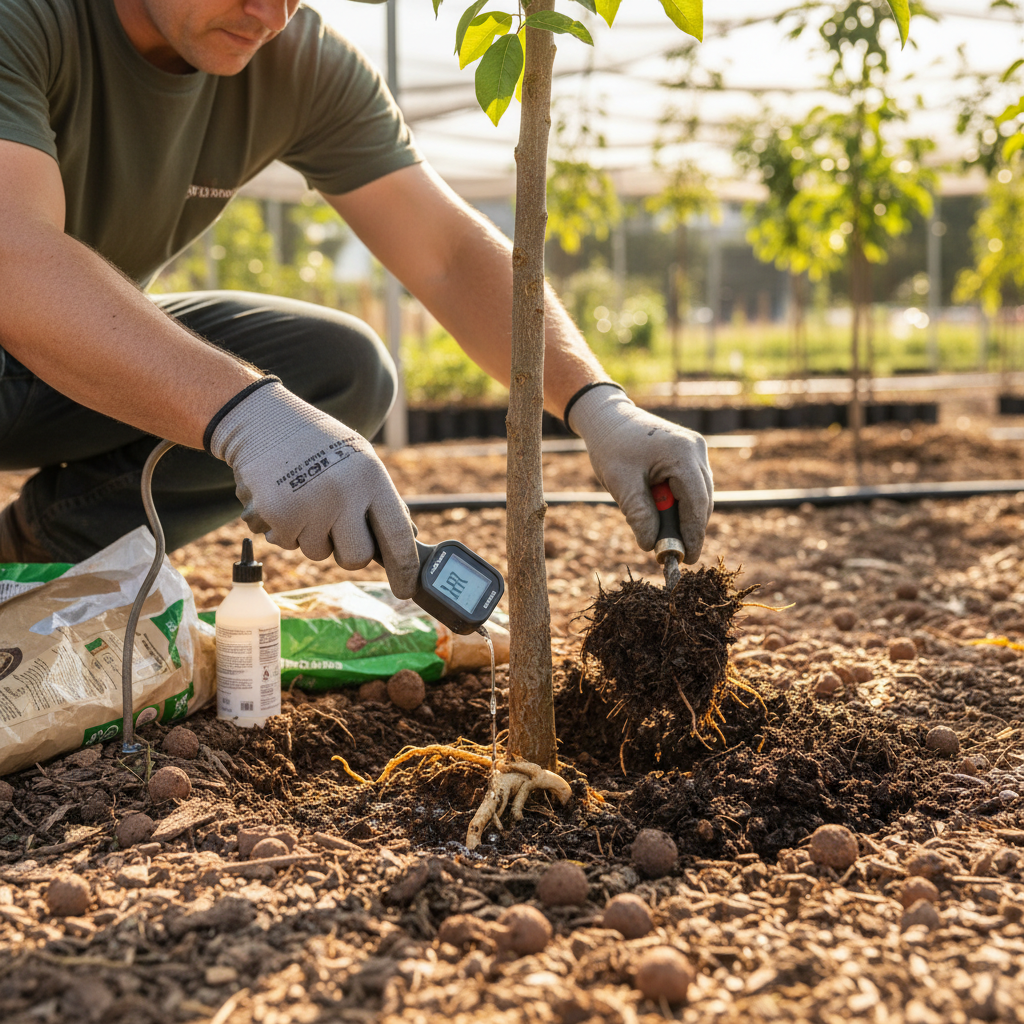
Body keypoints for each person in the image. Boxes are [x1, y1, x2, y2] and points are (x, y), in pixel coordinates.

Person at [0, 0, 714, 599]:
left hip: (51, 370)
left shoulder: (296, 59)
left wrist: (597, 404)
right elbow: (15, 258)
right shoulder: (27, 18)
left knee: (340, 370)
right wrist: (248, 419)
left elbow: (446, 253)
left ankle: (26, 559)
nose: (270, 14)